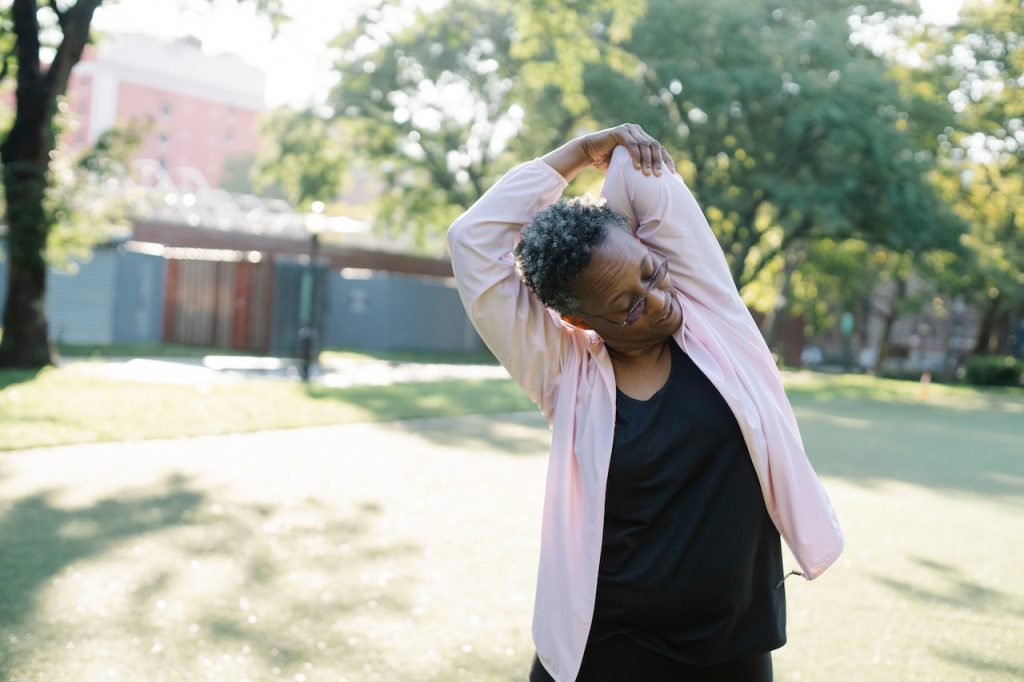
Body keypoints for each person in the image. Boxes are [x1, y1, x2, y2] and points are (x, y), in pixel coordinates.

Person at [446, 124, 844, 682]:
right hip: (606, 648)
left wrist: (605, 153)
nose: (659, 302)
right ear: (578, 319)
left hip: (732, 644)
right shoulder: (563, 373)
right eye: (628, 307)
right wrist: (574, 155)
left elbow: (638, 171)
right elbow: (472, 241)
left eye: (651, 272)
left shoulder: (714, 317)